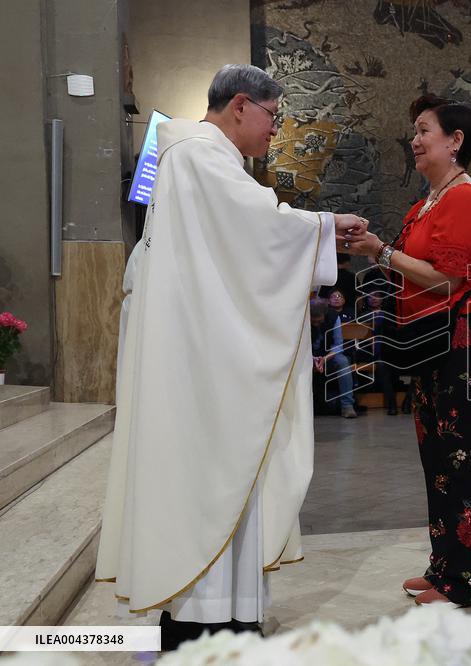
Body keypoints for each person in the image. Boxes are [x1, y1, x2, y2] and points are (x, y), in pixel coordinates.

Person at [96, 64, 366, 649]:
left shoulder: (199, 159)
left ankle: (229, 610)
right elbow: (259, 230)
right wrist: (325, 226)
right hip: (202, 361)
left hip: (204, 348)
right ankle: (206, 617)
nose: (276, 130)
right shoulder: (200, 158)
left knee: (224, 472)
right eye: (274, 116)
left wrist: (316, 232)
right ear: (241, 105)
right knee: (212, 473)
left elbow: (247, 240)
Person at [341, 94, 471, 607]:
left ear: (456, 142)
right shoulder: (426, 202)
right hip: (429, 340)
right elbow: (410, 270)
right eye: (414, 131)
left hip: (460, 338)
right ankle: (445, 566)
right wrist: (380, 252)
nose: (414, 140)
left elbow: (446, 278)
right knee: (436, 456)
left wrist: (382, 252)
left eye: (424, 131)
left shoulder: (465, 198)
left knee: (460, 456)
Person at [312, 291, 358, 418]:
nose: (316, 324)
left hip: (328, 355)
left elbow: (338, 345)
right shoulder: (303, 319)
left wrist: (324, 359)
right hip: (308, 355)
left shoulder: (333, 317)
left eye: (319, 321)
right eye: (313, 321)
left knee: (343, 362)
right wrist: (312, 359)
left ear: (324, 315)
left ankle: (347, 406)